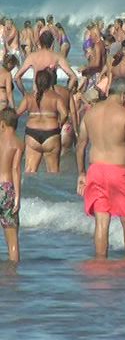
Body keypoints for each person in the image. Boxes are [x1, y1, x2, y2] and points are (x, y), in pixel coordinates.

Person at [75, 78, 125, 259]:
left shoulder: (90, 113)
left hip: (95, 171)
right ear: (123, 95)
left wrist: (81, 173)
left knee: (101, 222)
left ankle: (100, 263)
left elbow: (81, 145)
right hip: (119, 171)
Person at [16, 69, 67, 174]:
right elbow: (65, 114)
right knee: (53, 173)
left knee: (29, 172)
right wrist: (60, 124)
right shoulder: (56, 97)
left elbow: (16, 114)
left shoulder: (28, 97)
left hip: (32, 135)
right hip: (51, 134)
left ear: (36, 81)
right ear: (50, 82)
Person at [0, 108, 23, 262]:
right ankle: (13, 277)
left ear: (2, 124)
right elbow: (15, 169)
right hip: (7, 190)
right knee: (12, 241)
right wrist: (17, 198)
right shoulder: (18, 143)